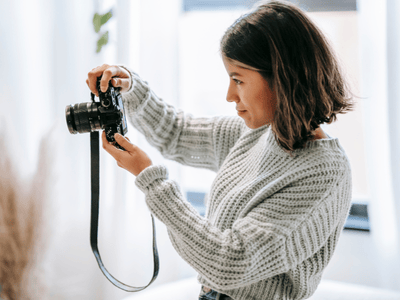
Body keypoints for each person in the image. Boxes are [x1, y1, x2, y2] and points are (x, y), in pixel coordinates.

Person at [86, 1, 355, 299]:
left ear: (282, 77)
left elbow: (230, 263)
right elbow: (176, 133)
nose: (230, 95)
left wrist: (150, 180)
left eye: (238, 80)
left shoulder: (322, 172)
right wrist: (130, 87)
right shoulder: (258, 134)